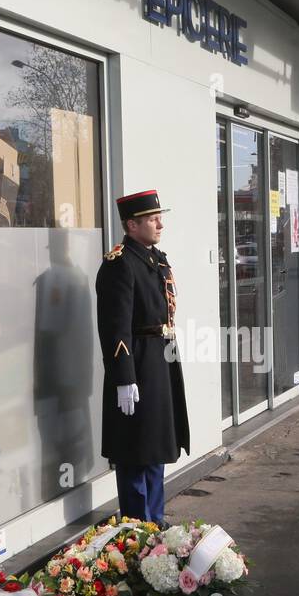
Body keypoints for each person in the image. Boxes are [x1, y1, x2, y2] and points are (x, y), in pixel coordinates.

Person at [96, 190, 190, 527]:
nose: (160, 223)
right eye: (152, 219)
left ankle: (157, 522)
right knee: (136, 450)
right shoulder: (119, 264)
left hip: (160, 361)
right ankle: (138, 528)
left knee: (156, 446)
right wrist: (124, 378)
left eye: (159, 217)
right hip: (136, 365)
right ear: (131, 225)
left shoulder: (155, 258)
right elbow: (114, 327)